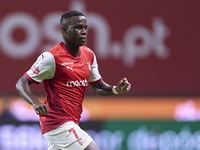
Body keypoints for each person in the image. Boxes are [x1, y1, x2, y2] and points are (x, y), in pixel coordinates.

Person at [16, 10, 131, 150]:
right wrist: (34, 102)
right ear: (64, 30)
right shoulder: (51, 57)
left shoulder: (89, 55)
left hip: (71, 121)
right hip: (57, 122)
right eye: (78, 27)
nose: (83, 31)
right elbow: (21, 83)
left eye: (85, 28)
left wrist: (116, 89)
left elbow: (98, 87)